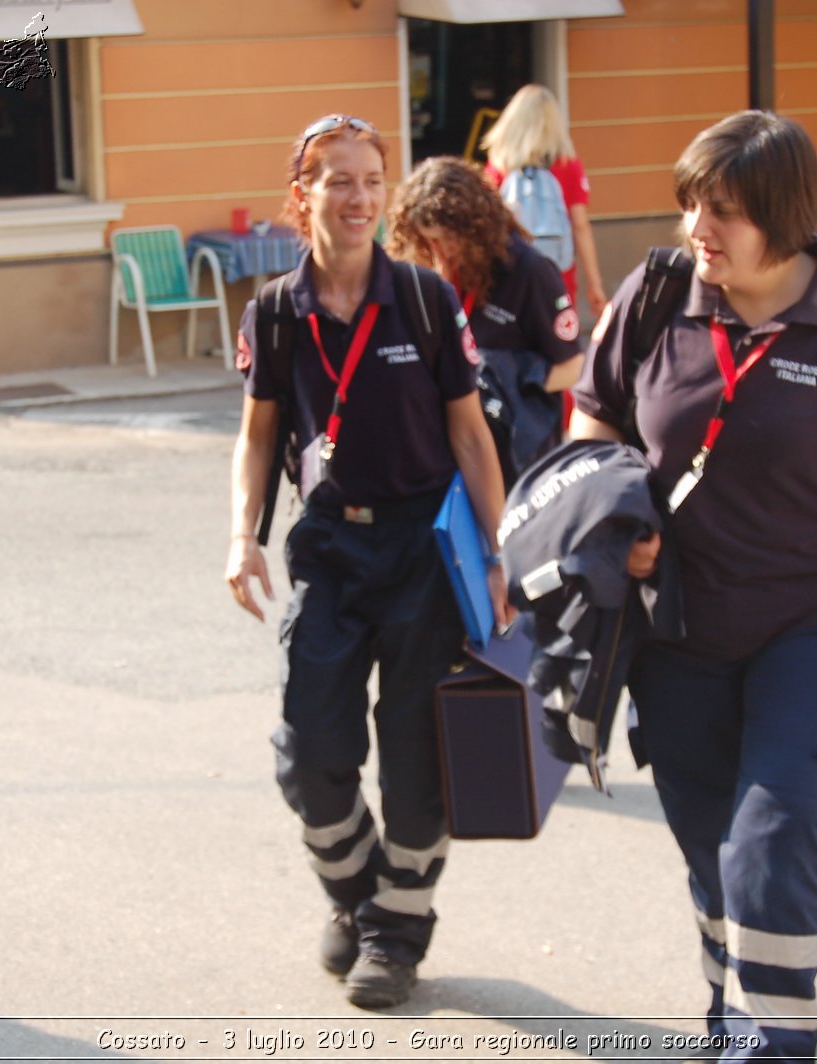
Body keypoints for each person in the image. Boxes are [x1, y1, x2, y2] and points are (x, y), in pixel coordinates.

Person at [570, 110, 817, 1061]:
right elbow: (595, 428)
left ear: (784, 219)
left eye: (728, 212)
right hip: (682, 628)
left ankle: (776, 1042)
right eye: (693, 205)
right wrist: (620, 526)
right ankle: (729, 1011)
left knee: (774, 831)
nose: (701, 229)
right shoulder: (657, 298)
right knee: (712, 842)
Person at [223, 114, 513, 1010]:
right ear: (300, 194)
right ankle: (358, 895)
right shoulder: (275, 311)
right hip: (330, 547)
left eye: (371, 179)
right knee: (310, 751)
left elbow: (471, 434)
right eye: (337, 179)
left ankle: (396, 933)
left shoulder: (425, 301)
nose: (357, 197)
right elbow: (258, 435)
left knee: (419, 752)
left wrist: (497, 556)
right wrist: (242, 535)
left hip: (424, 547)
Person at [387, 155, 585, 486]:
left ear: (473, 226)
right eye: (428, 240)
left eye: (445, 238)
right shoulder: (433, 275)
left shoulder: (529, 272)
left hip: (518, 457)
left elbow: (572, 368)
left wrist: (507, 377)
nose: (439, 250)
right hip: (454, 450)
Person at [482, 84, 609, 316]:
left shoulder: (498, 165)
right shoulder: (567, 164)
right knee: (562, 343)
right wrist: (595, 284)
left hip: (511, 274)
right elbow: (580, 226)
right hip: (558, 274)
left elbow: (486, 222)